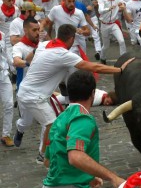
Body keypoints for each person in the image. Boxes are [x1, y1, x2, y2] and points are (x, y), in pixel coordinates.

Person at [14, 24, 133, 163]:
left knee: (32, 122)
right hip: (33, 96)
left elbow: (32, 53)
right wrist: (119, 70)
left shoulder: (46, 43)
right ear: (71, 38)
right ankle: (42, 155)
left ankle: (29, 138)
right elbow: (93, 66)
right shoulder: (62, 54)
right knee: (50, 123)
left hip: (27, 91)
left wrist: (30, 64)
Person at [97, 0, 129, 65]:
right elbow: (100, 10)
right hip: (104, 24)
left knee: (121, 41)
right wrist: (109, 8)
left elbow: (124, 3)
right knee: (106, 45)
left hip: (114, 23)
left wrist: (123, 5)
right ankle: (102, 57)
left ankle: (123, 59)